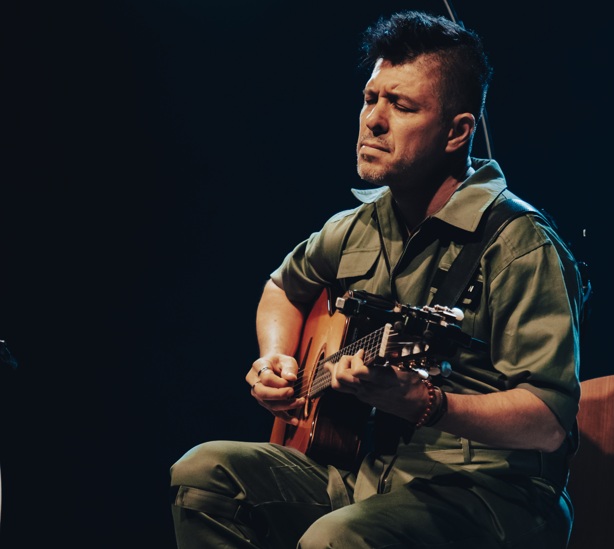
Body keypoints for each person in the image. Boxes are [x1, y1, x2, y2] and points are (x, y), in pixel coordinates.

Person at [170, 10, 585, 549]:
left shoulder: (519, 244)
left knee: (337, 540)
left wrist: (430, 404)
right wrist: (279, 358)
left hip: (492, 494)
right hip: (367, 474)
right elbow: (282, 288)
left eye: (402, 105)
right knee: (204, 474)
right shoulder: (356, 227)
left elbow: (548, 421)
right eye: (371, 99)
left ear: (458, 131)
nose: (374, 120)